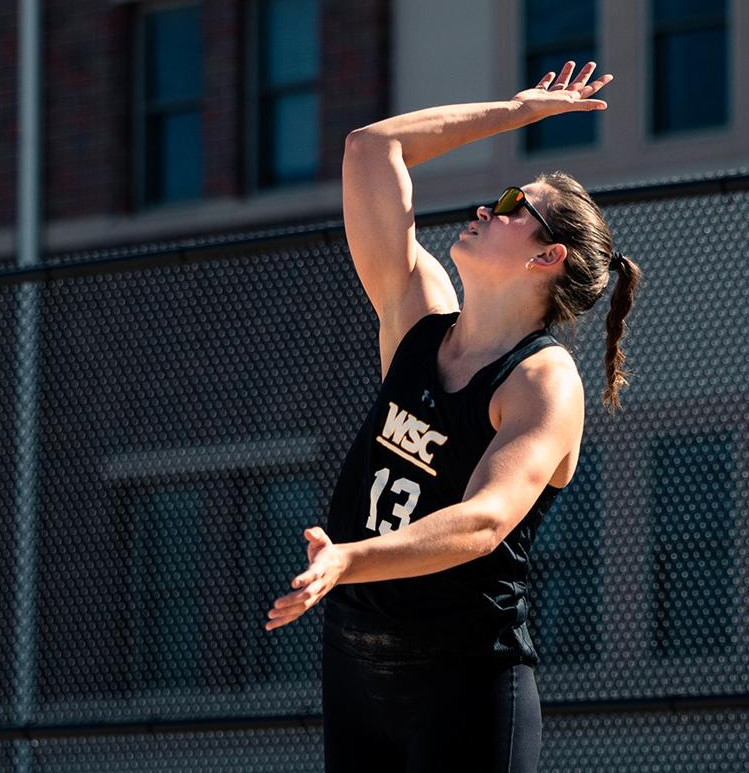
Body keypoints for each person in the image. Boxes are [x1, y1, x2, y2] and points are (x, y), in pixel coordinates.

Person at [264, 60, 638, 772]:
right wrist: (516, 112)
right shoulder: (416, 314)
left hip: (465, 679)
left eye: (511, 204)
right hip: (357, 666)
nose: (486, 208)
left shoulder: (541, 380)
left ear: (548, 256)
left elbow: (484, 521)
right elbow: (371, 149)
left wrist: (351, 557)